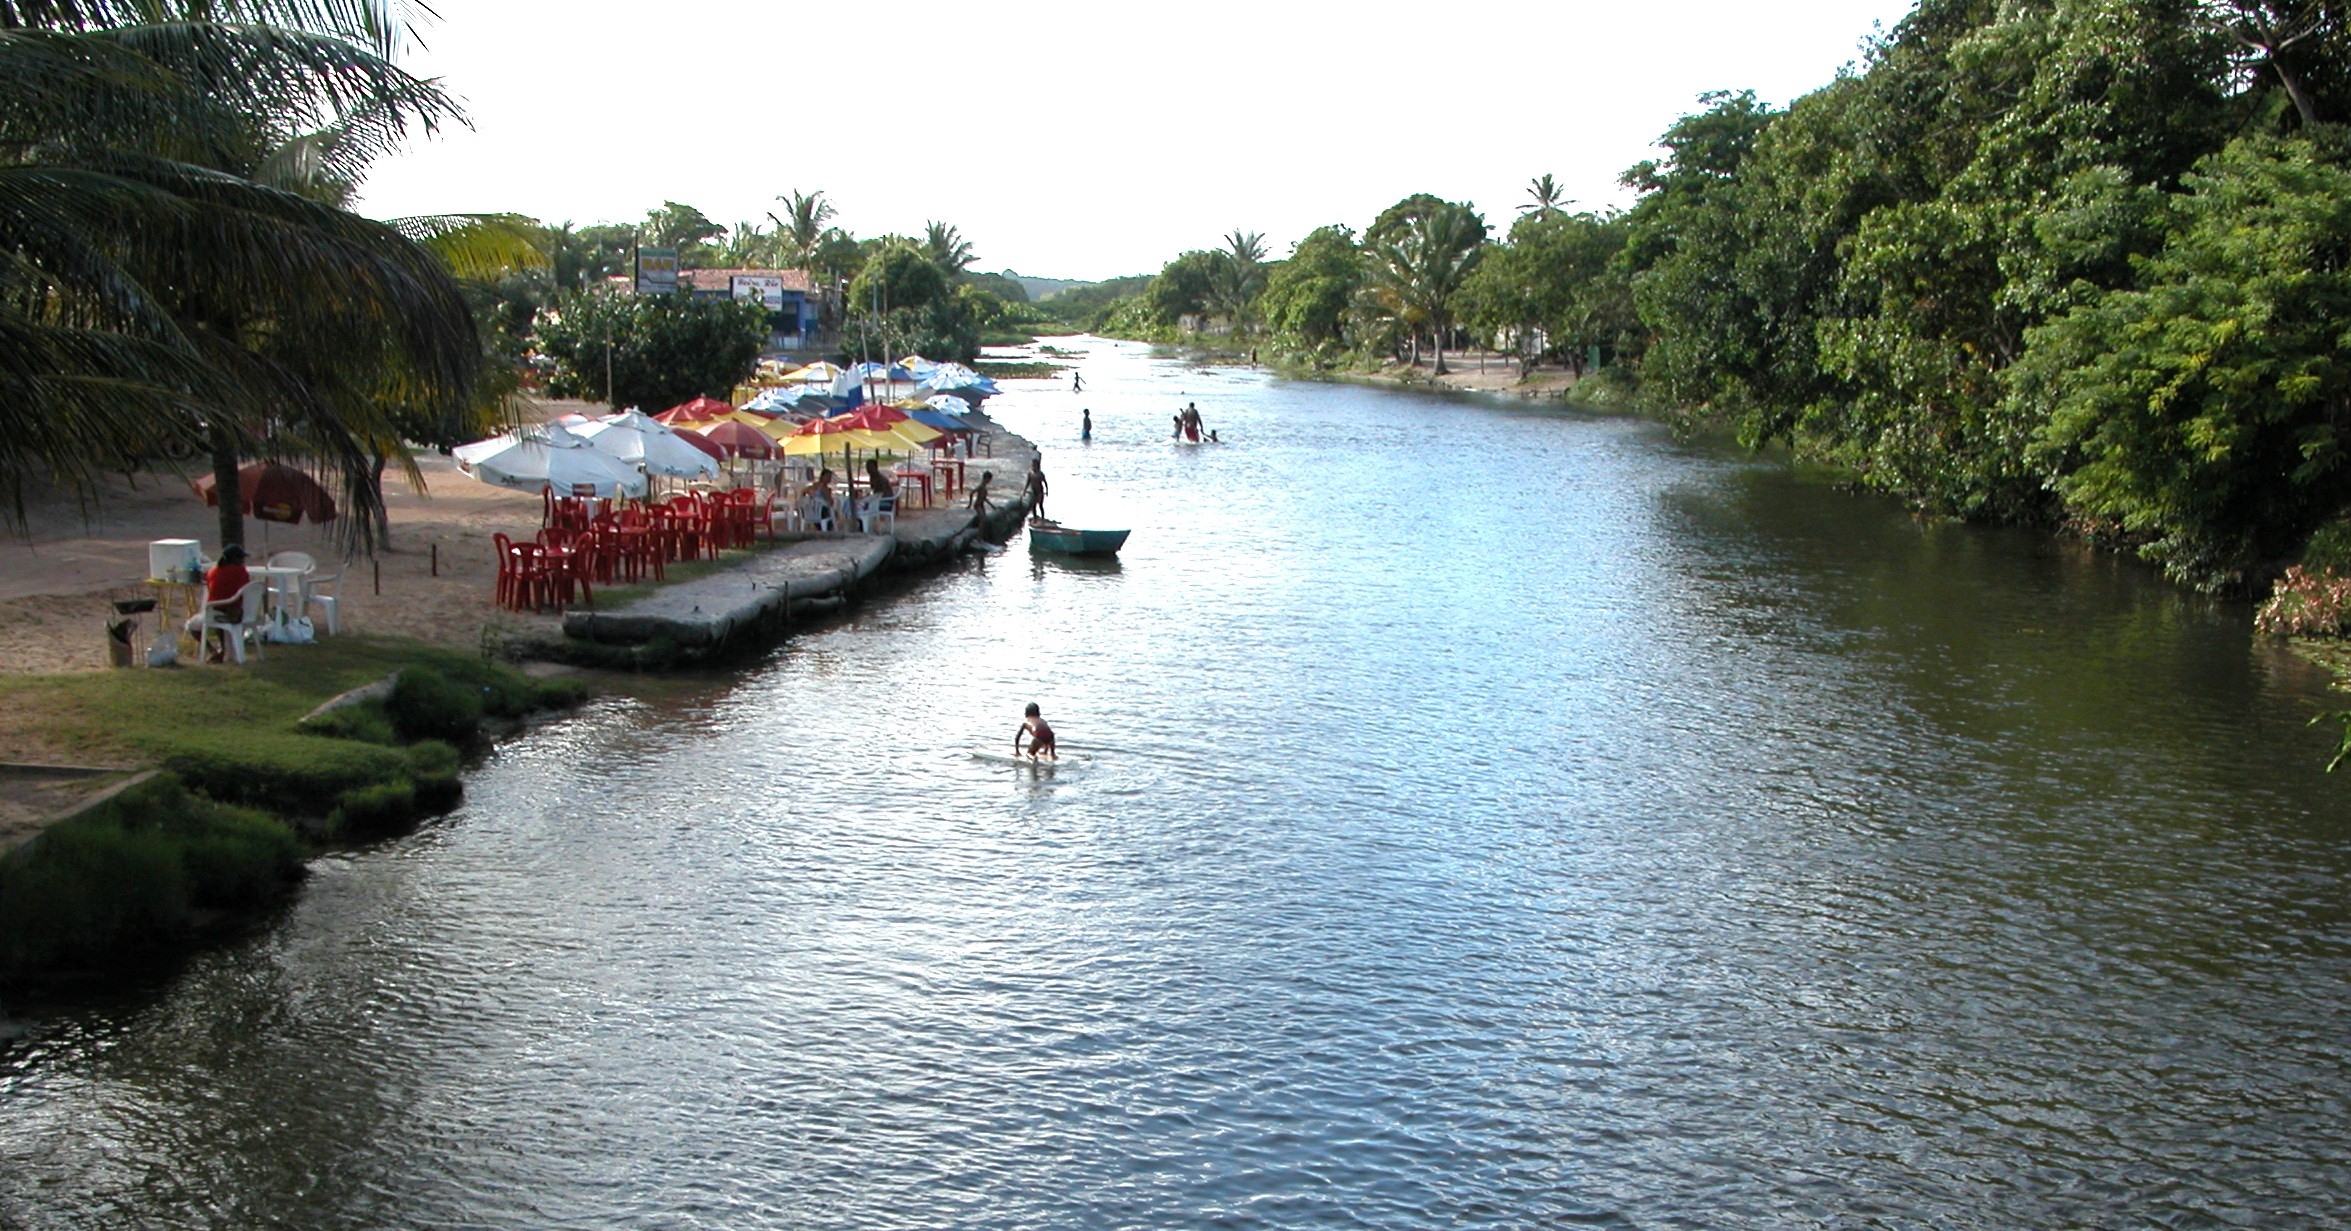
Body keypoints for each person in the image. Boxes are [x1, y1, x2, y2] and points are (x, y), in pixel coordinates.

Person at [188, 543, 250, 662]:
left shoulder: (213, 572)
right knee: (217, 615)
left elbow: (210, 588)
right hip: (235, 611)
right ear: (234, 559)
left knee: (192, 626)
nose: (243, 560)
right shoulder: (241, 571)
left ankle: (213, 651)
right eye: (241, 558)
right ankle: (222, 650)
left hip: (216, 610)